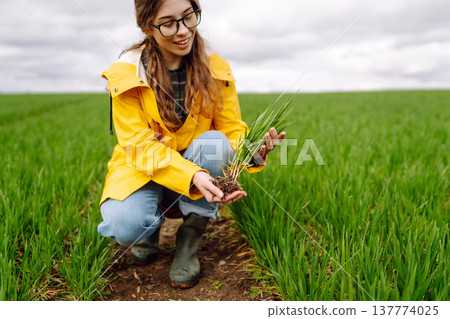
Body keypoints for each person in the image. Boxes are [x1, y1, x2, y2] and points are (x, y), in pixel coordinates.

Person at [97, 0, 286, 288]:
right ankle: (148, 226)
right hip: (142, 165)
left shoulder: (215, 68)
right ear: (148, 25)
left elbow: (231, 129)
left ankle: (191, 236)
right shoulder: (125, 75)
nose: (183, 30)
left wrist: (251, 153)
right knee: (126, 225)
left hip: (197, 159)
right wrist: (192, 175)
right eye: (169, 22)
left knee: (216, 142)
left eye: (189, 17)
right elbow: (138, 146)